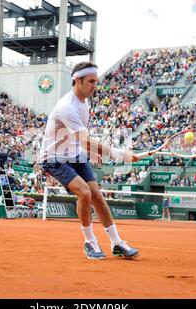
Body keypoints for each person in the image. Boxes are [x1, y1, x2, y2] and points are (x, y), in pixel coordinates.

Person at [39, 62, 140, 260]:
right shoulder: (67, 107)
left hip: (75, 154)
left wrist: (94, 152)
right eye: (91, 81)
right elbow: (85, 140)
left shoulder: (85, 102)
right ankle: (90, 242)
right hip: (54, 157)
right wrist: (121, 154)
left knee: (97, 195)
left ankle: (117, 243)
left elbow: (81, 138)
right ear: (77, 81)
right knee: (84, 193)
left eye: (96, 81)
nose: (95, 85)